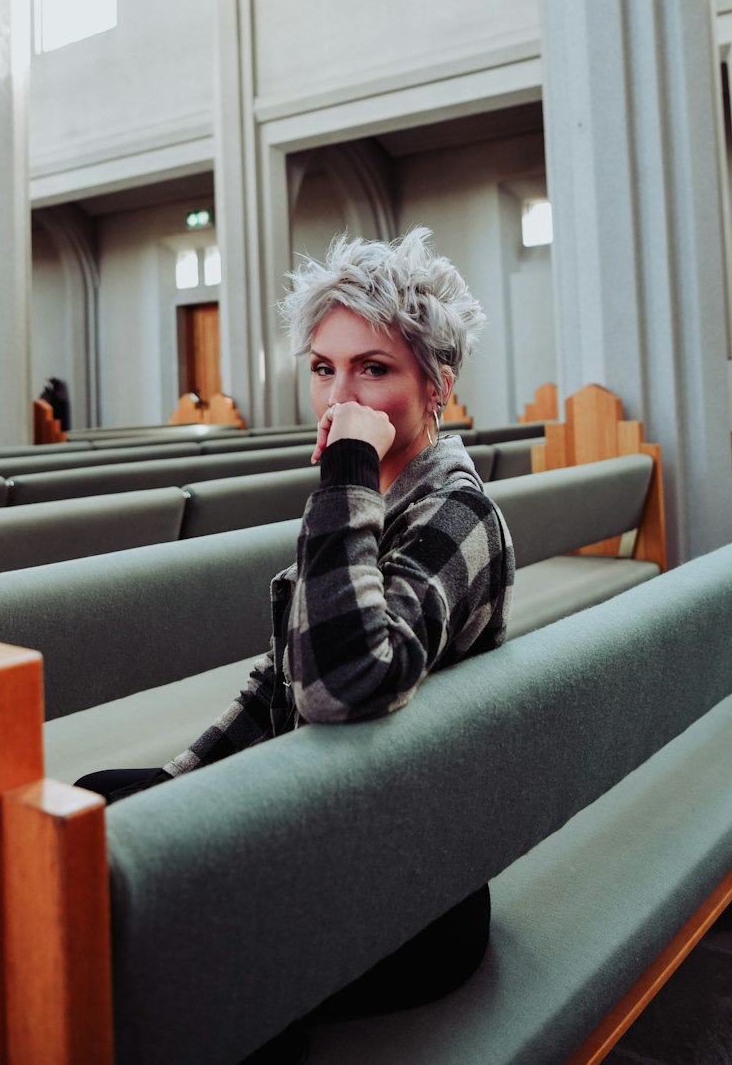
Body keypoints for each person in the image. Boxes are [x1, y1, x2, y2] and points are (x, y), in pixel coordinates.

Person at [77, 227, 515, 1055]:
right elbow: (280, 686)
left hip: (410, 881)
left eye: (373, 368)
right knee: (94, 805)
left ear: (438, 386)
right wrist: (179, 787)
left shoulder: (458, 515)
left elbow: (341, 685)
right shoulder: (372, 495)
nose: (339, 397)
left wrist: (346, 469)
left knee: (190, 963)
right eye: (324, 368)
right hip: (326, 818)